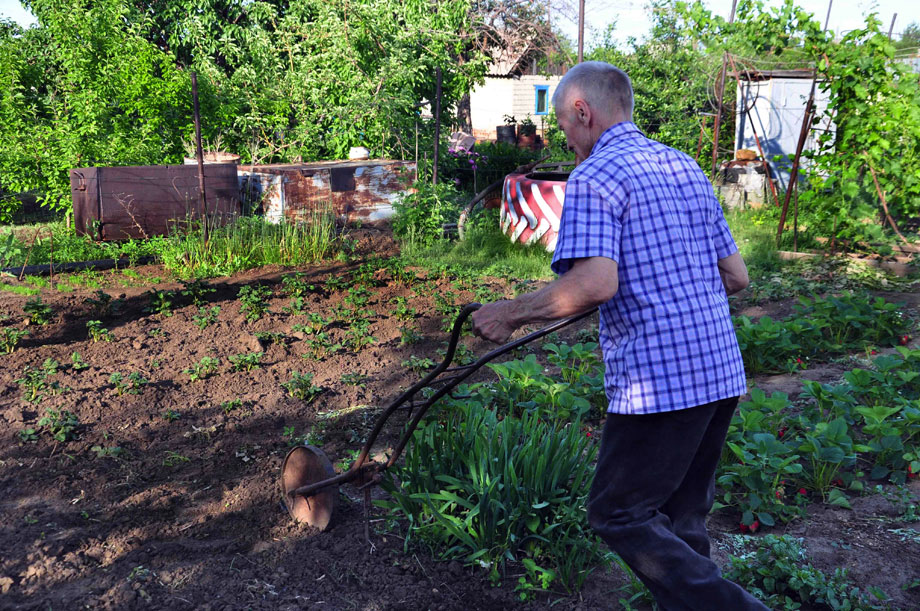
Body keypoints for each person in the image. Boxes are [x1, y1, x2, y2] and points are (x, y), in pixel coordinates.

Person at [470, 61, 767, 611]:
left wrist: (508, 313)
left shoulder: (597, 175)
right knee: (680, 520)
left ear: (582, 112)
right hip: (719, 369)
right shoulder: (683, 165)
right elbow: (737, 277)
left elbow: (594, 283)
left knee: (618, 514)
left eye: (562, 124)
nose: (565, 137)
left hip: (660, 381)